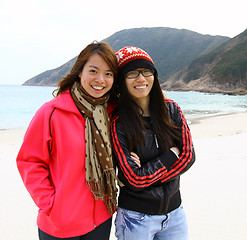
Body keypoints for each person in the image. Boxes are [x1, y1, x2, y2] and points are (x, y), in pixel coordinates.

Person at [16, 41, 119, 240]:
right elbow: (29, 161)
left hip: (101, 218)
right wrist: (50, 204)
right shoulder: (51, 112)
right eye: (93, 71)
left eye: (108, 73)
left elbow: (144, 103)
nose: (100, 79)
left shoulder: (113, 113)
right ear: (79, 72)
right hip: (60, 223)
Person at [111, 46, 195, 240]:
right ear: (121, 81)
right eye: (132, 73)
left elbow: (189, 156)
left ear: (154, 76)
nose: (141, 78)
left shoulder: (171, 110)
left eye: (146, 71)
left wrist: (147, 171)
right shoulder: (119, 122)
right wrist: (172, 155)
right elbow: (134, 179)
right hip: (136, 217)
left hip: (175, 213)